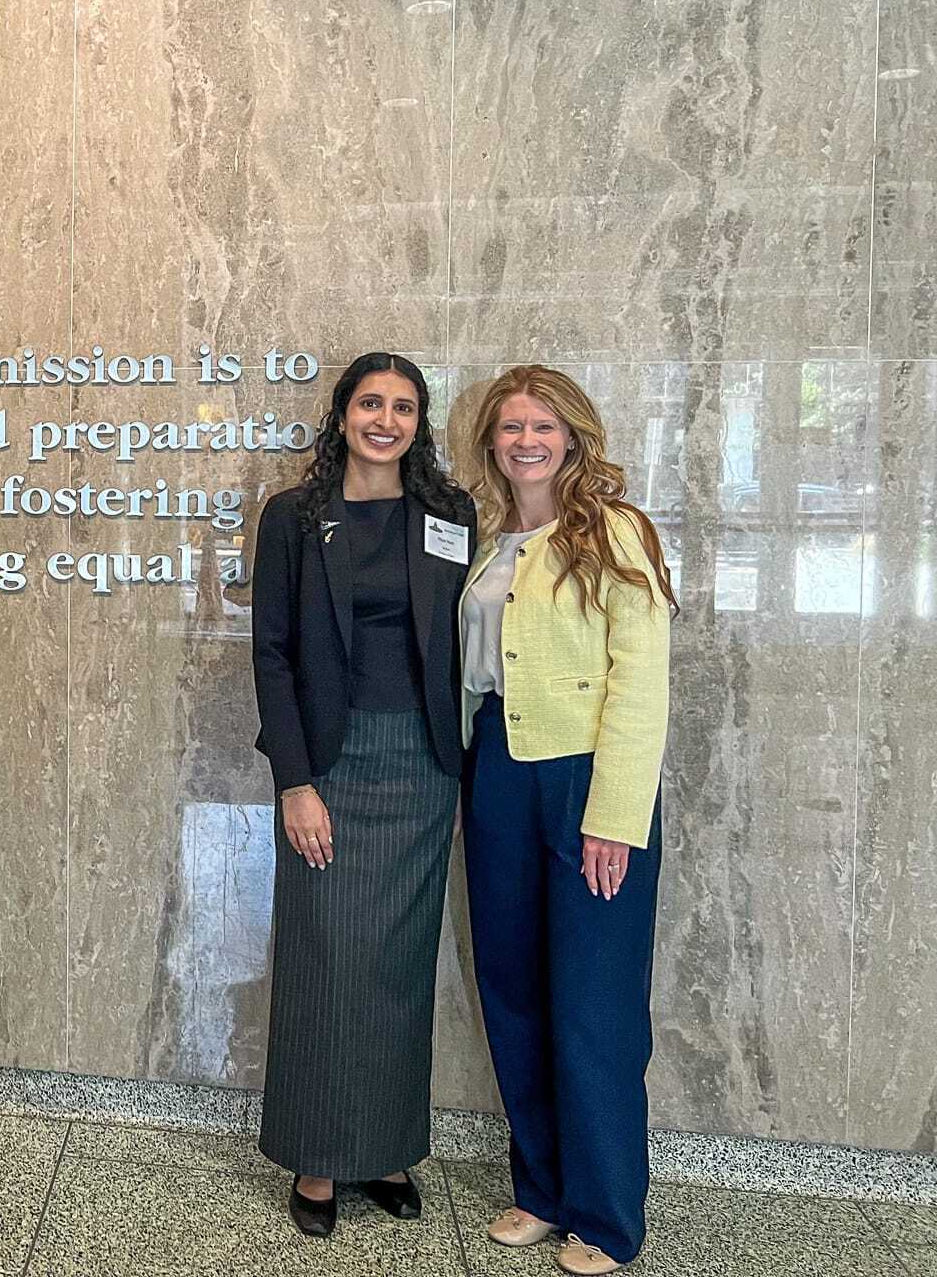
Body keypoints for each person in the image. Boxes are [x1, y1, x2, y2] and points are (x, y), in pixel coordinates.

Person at [250, 353, 477, 1238]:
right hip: (329, 767)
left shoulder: (449, 514)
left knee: (397, 967)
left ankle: (385, 1147)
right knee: (325, 959)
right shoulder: (295, 518)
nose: (387, 420)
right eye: (371, 403)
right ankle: (316, 1154)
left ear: (421, 423)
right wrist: (295, 783)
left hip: (421, 767)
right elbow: (271, 653)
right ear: (341, 413)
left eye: (406, 408)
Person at [457, 365, 676, 1275]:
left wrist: (612, 817)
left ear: (574, 434)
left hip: (587, 781)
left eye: (542, 424)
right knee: (513, 990)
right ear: (492, 443)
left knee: (593, 1005)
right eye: (510, 426)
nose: (525, 440)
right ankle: (540, 1191)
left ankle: (606, 1215)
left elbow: (641, 682)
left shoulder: (614, 532)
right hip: (497, 770)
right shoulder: (484, 538)